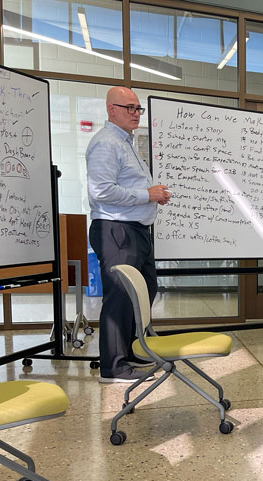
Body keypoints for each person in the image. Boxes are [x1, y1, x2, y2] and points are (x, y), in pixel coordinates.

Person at [86, 87, 170, 383]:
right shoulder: (106, 143)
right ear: (111, 109)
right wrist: (146, 195)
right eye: (130, 108)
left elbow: (122, 188)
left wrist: (148, 197)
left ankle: (132, 350)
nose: (136, 113)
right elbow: (101, 191)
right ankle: (114, 367)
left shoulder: (125, 142)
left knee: (144, 291)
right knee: (121, 297)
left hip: (134, 229)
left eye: (138, 109)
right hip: (116, 229)